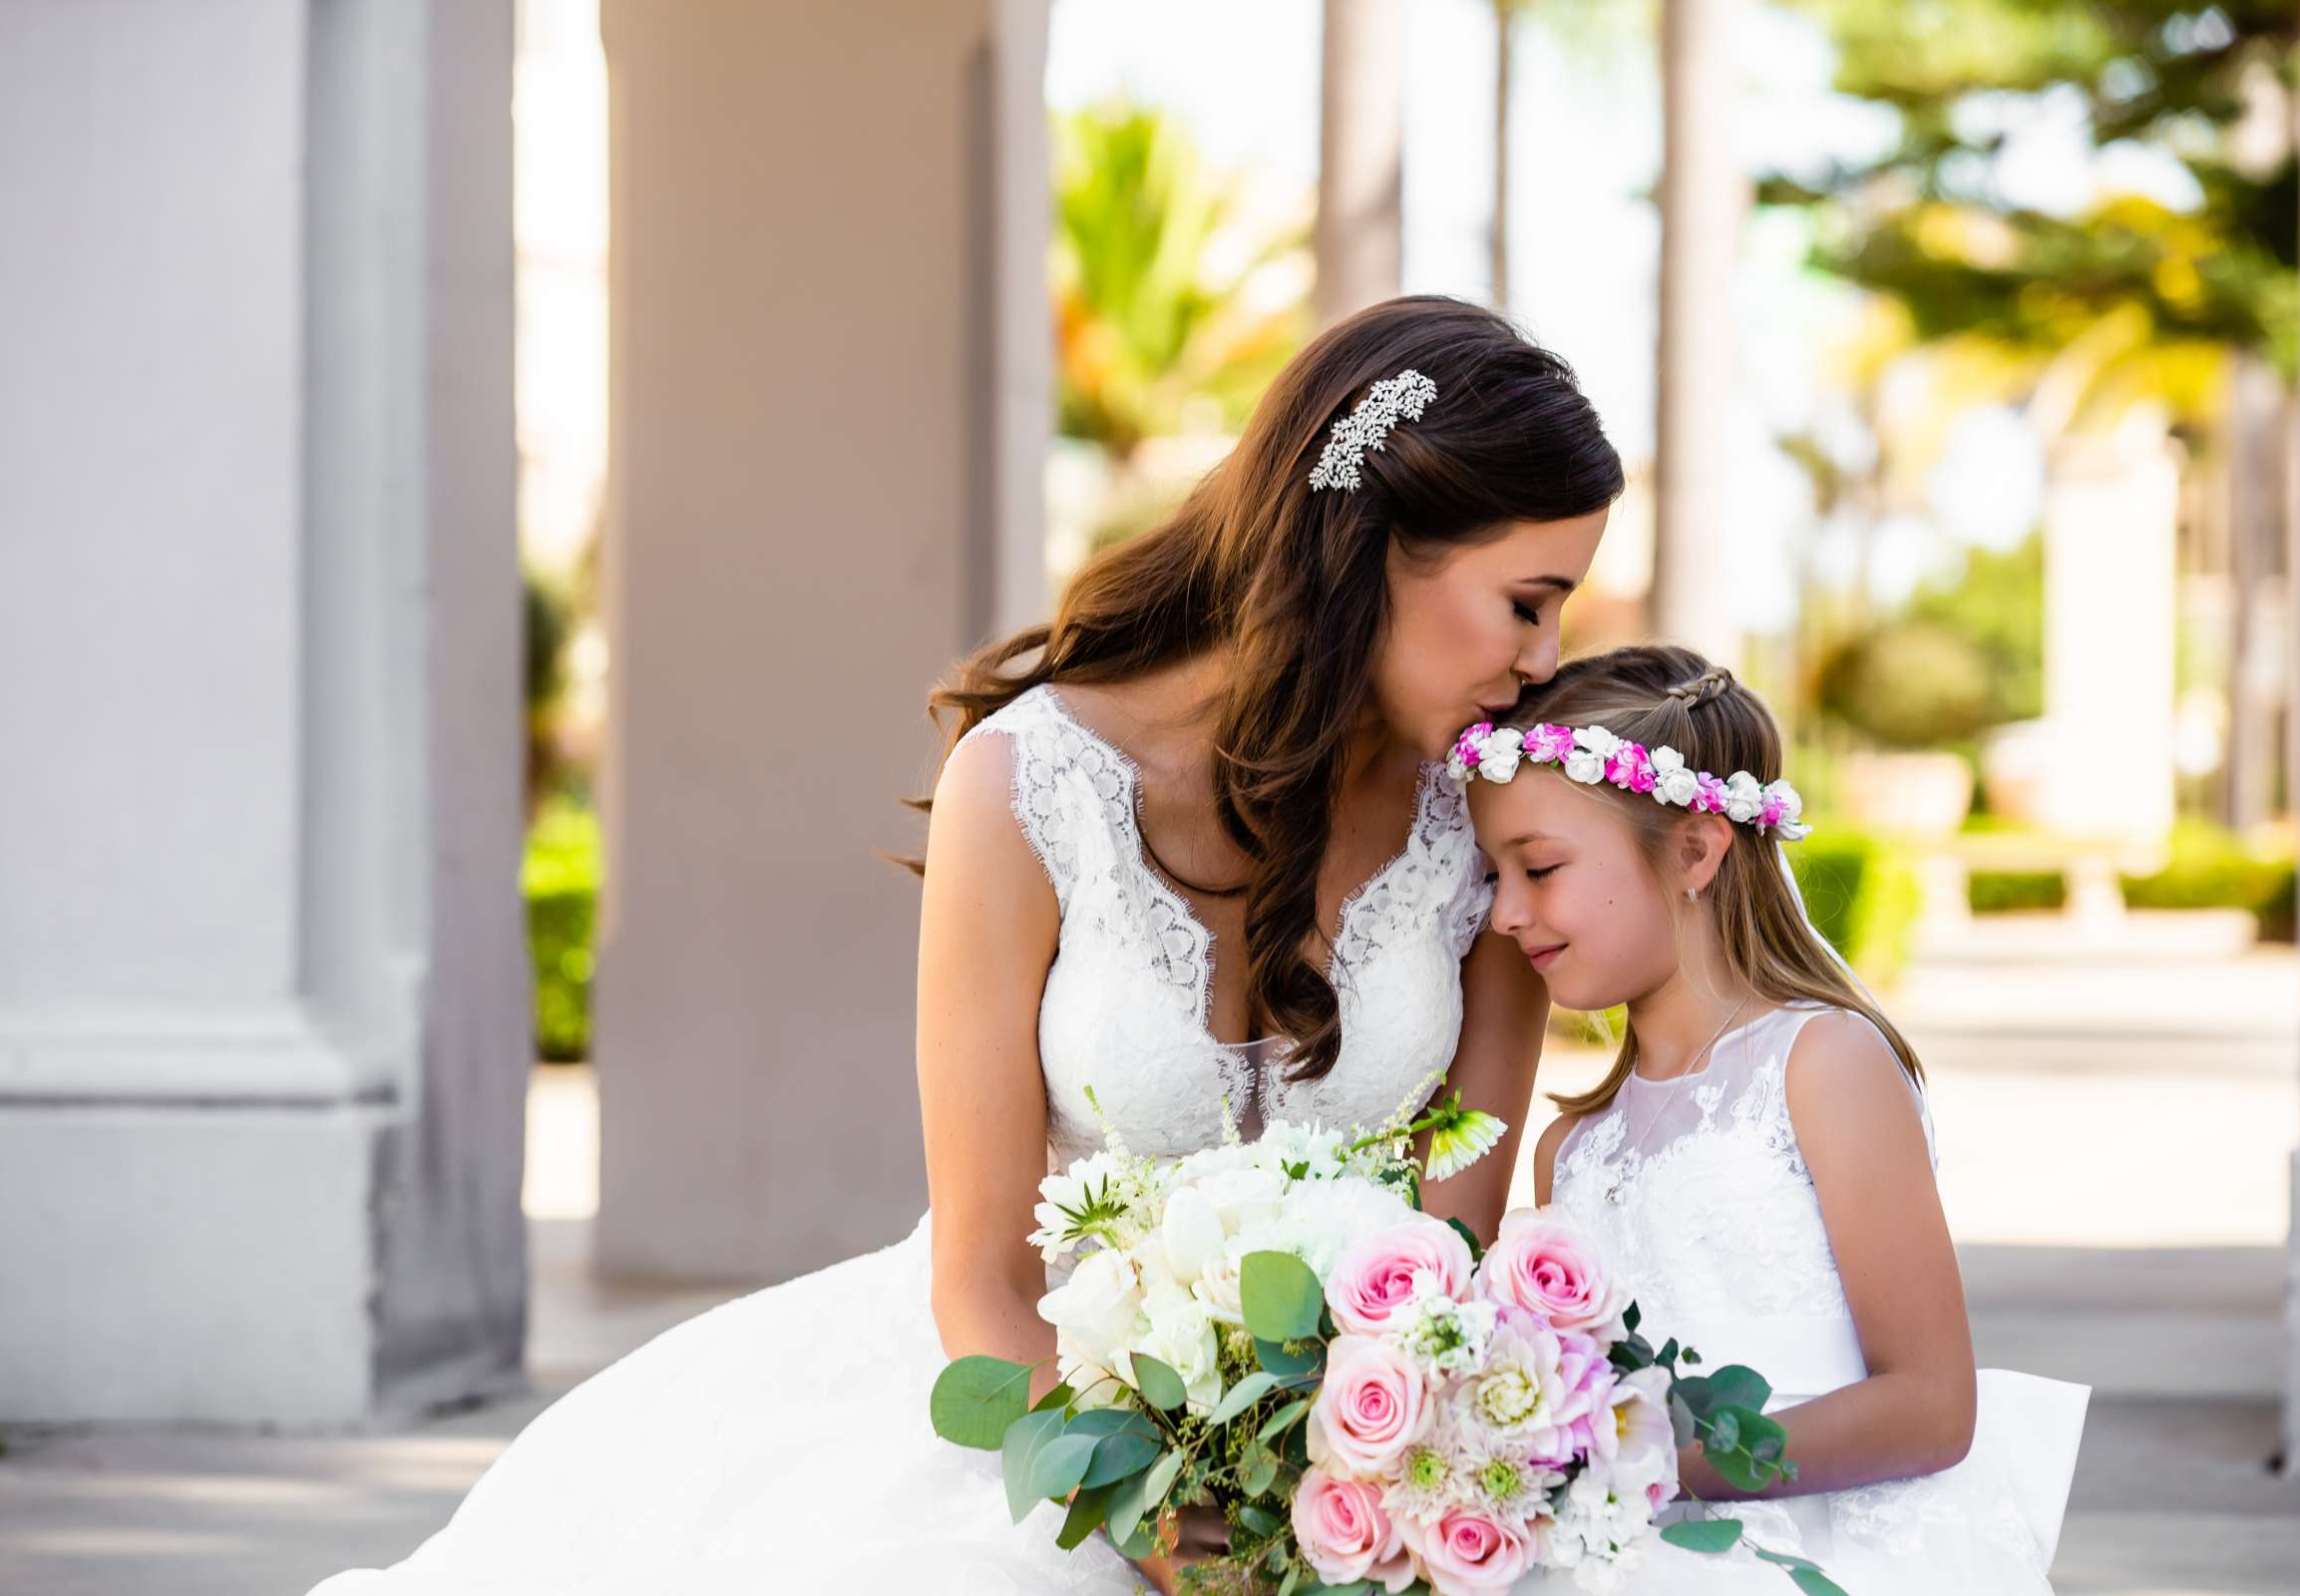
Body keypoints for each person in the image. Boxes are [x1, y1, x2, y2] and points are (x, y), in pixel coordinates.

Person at [305, 296, 1625, 1595]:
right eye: (1528, 600)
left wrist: (1347, 1504)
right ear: (1378, 543)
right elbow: (984, 1271)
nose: (1543, 655)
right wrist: (1152, 1534)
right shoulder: (1033, 784)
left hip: (1353, 1454)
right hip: (1033, 1416)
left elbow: (1447, 1256)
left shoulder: (1487, 825)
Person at [1457, 645, 2089, 1595]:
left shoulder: (1822, 1066)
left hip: (1823, 1555)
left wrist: (1656, 1458)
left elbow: (1932, 1404)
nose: (1505, 914)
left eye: (1539, 867)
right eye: (1493, 875)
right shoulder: (1573, 1150)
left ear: (1698, 851)